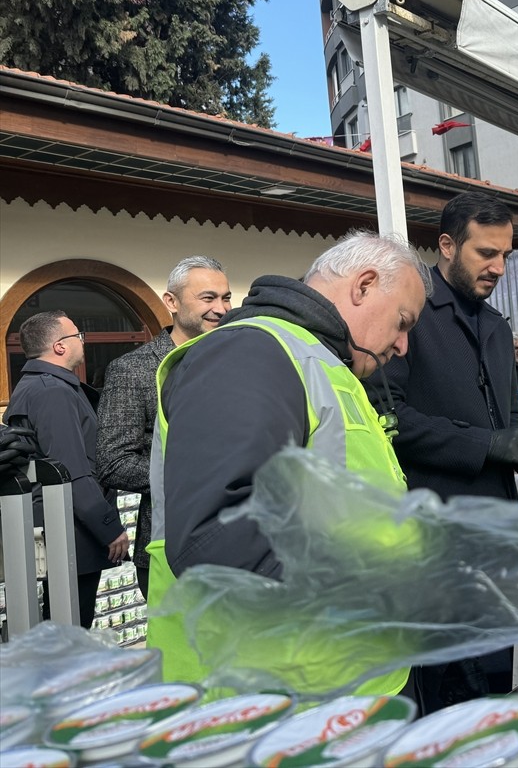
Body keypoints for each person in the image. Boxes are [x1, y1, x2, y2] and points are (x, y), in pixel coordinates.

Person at [144, 230, 431, 695]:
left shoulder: (320, 364)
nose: (403, 346)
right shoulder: (251, 351)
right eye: (402, 322)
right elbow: (218, 537)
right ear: (363, 285)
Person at [375, 192, 518, 710]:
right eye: (486, 253)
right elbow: (387, 416)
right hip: (433, 538)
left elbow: (508, 414)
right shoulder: (408, 316)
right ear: (447, 245)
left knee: (492, 684)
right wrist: (487, 445)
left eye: (506, 255)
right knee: (443, 698)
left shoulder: (497, 326)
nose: (500, 267)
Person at [95, 256, 231, 599]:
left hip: (238, 540)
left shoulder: (235, 361)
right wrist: (195, 476)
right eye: (208, 298)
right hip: (169, 542)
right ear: (171, 302)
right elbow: (113, 461)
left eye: (226, 297)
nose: (220, 308)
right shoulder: (133, 370)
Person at [5, 311, 130, 628]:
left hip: (64, 526)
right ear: (60, 346)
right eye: (78, 336)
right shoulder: (53, 392)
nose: (83, 343)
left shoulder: (37, 385)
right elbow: (70, 471)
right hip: (70, 530)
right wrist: (109, 527)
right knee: (71, 627)